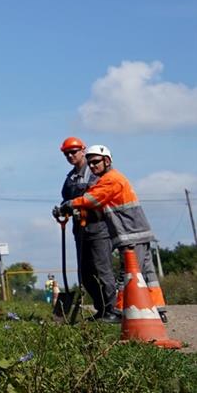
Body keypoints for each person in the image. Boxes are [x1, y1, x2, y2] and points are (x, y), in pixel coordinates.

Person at [60, 145, 167, 321]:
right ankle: (158, 310)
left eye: (96, 162)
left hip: (130, 232)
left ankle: (117, 312)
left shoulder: (110, 179)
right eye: (90, 163)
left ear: (107, 161)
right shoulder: (106, 179)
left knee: (130, 274)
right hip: (137, 231)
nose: (92, 166)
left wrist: (70, 205)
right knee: (146, 274)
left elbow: (91, 198)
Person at [56, 136, 116, 320]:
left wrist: (72, 204)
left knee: (102, 269)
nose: (70, 156)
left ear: (83, 150)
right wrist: (61, 209)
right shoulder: (70, 178)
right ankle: (101, 309)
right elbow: (67, 199)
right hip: (79, 229)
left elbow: (93, 197)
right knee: (86, 272)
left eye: (73, 152)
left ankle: (112, 310)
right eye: (67, 154)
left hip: (98, 227)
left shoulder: (95, 173)